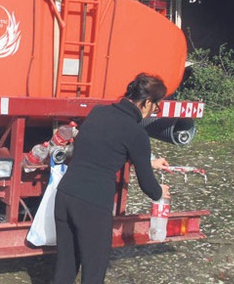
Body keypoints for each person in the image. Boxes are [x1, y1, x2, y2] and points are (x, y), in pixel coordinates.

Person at [53, 73, 171, 284]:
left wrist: (148, 162)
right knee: (93, 271)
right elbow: (149, 186)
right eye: (156, 107)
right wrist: (160, 192)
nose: (154, 112)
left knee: (65, 268)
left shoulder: (98, 113)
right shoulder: (136, 133)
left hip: (65, 195)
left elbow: (104, 147)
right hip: (92, 205)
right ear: (146, 102)